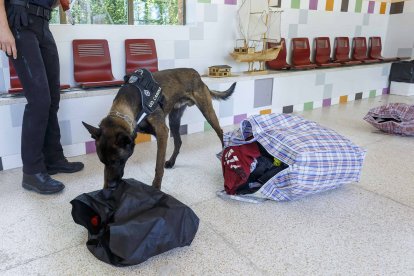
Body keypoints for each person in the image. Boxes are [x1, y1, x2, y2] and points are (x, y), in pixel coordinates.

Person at [0, 0, 84, 194]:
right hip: (19, 19)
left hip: (43, 23)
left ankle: (53, 158)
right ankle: (32, 171)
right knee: (39, 101)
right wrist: (2, 28)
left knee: (53, 98)